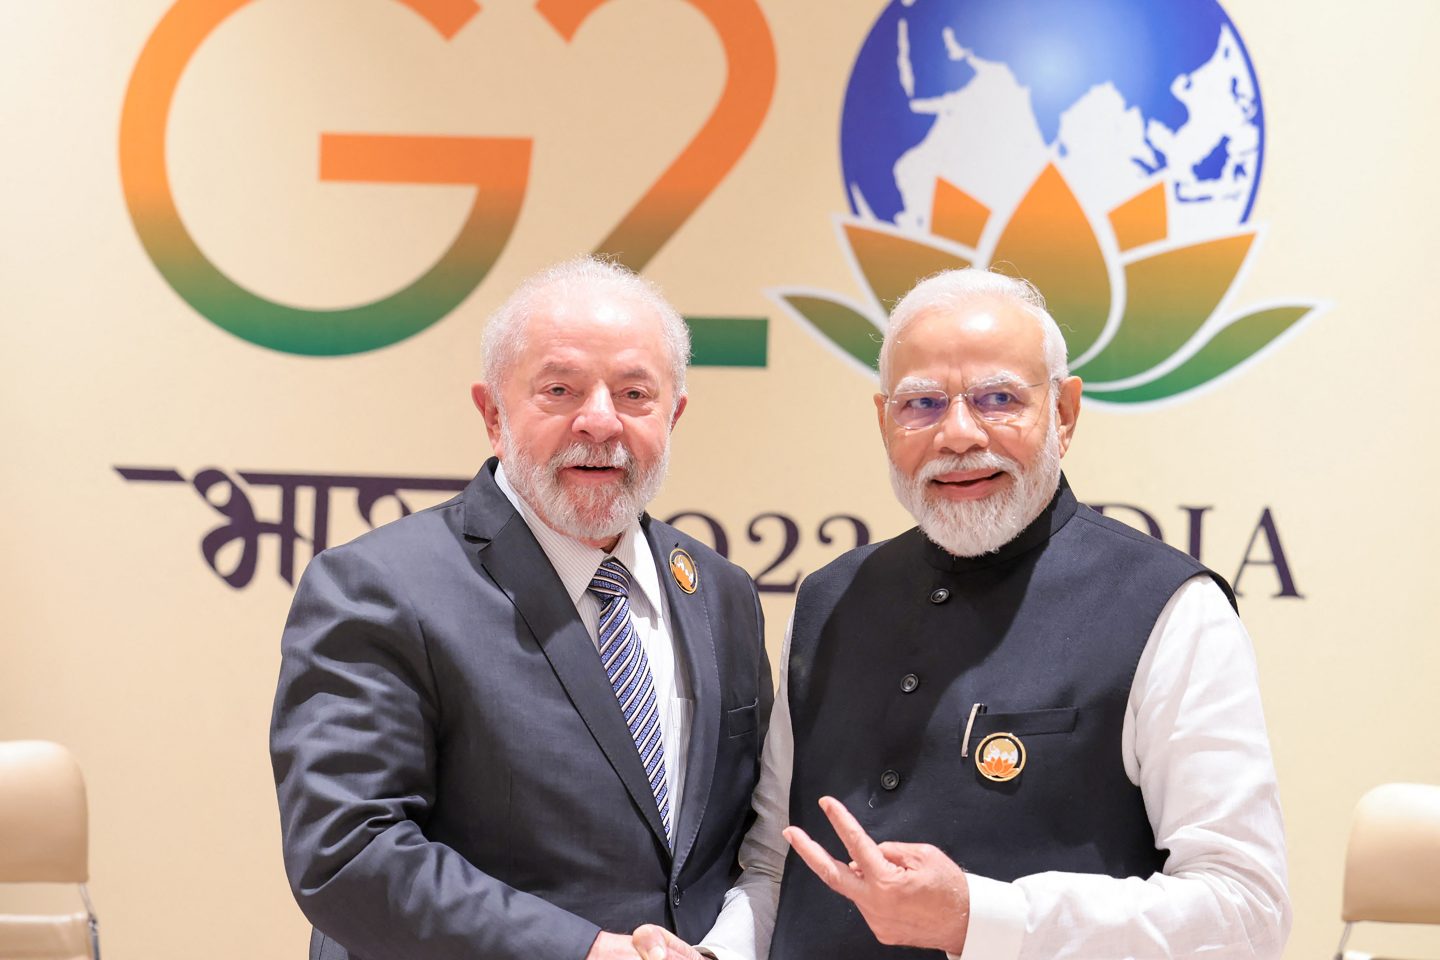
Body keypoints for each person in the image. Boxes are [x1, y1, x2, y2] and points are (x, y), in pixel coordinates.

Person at [635, 267, 1289, 960]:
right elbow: (777, 863)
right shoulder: (829, 599)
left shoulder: (1170, 609)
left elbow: (1245, 908)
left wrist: (982, 917)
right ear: (883, 419)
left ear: (1064, 414)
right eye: (921, 404)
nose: (958, 434)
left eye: (999, 398)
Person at [270, 256, 772, 960]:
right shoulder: (379, 586)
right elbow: (347, 854)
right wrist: (586, 953)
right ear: (493, 414)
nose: (600, 422)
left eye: (635, 394)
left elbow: (737, 843)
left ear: (673, 414)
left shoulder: (722, 593)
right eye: (560, 389)